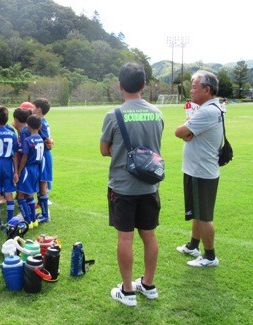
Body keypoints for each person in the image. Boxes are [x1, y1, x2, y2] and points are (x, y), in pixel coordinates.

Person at [100, 62, 163, 307]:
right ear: (144, 85)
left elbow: (104, 149)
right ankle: (148, 285)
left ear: (119, 85)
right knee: (149, 235)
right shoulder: (157, 112)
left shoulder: (113, 115)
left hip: (123, 187)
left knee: (125, 239)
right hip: (150, 185)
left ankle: (127, 291)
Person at [175, 70, 222, 267]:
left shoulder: (207, 111)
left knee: (204, 216)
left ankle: (210, 256)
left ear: (207, 89)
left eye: (195, 86)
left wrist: (187, 131)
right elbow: (187, 133)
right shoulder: (212, 109)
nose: (191, 90)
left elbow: (179, 131)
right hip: (199, 169)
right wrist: (188, 132)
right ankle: (193, 245)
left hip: (201, 171)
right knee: (197, 211)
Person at [16, 114, 44, 229]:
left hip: (28, 169)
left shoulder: (28, 140)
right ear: (40, 126)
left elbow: (24, 158)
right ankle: (33, 220)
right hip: (36, 169)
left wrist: (18, 171)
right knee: (30, 194)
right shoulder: (40, 139)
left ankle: (27, 221)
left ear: (28, 126)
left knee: (20, 195)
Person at [31, 98, 54, 223]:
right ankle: (42, 209)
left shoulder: (41, 122)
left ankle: (45, 215)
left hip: (44, 155)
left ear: (39, 109)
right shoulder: (42, 121)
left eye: (33, 107)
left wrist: (50, 142)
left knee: (42, 183)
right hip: (41, 154)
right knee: (40, 183)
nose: (31, 109)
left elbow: (47, 140)